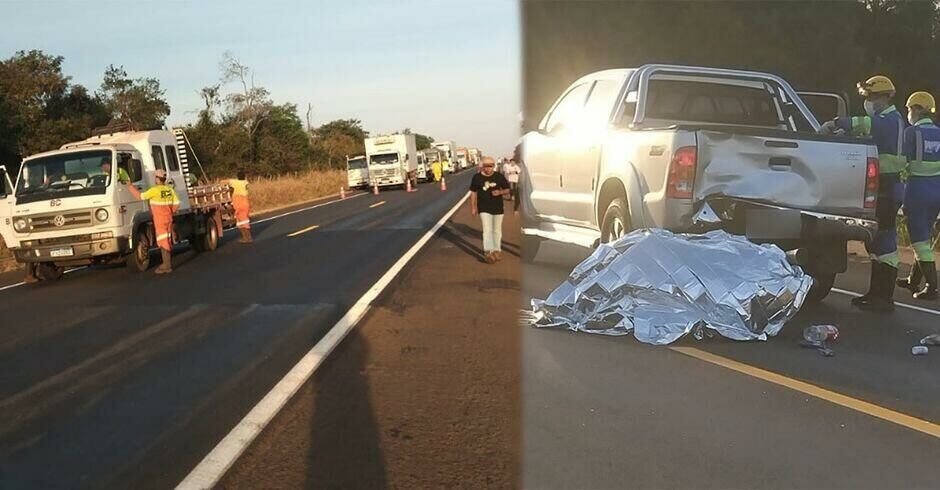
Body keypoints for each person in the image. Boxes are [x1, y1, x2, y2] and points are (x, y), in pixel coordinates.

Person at [820, 75, 907, 311]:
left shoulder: (890, 120)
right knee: (876, 243)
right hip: (884, 187)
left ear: (885, 97)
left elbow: (865, 125)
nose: (868, 101)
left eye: (871, 97)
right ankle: (875, 293)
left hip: (888, 187)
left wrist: (836, 123)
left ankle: (883, 298)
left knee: (884, 244)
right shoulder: (886, 120)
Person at [896, 91, 940, 300]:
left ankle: (932, 286)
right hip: (936, 191)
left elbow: (901, 161)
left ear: (916, 109)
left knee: (919, 240)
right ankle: (913, 280)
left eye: (909, 109)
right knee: (925, 235)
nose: (908, 113)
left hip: (917, 191)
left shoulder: (911, 133)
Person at [127, 169, 179, 274]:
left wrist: (130, 186)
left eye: (155, 177)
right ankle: (166, 264)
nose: (155, 179)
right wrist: (170, 212)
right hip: (168, 219)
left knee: (163, 242)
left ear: (158, 179)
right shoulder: (169, 190)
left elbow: (140, 196)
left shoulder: (154, 190)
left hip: (160, 220)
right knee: (167, 240)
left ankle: (167, 265)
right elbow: (176, 204)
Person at [470, 156, 511, 264]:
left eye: (490, 166)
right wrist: (473, 207)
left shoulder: (499, 177)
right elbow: (473, 192)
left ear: (494, 166)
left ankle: (497, 250)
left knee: (497, 230)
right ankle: (488, 251)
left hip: (498, 207)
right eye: (486, 166)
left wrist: (500, 192)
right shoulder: (477, 177)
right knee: (487, 230)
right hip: (483, 207)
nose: (488, 168)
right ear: (482, 166)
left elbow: (507, 189)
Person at [223, 170, 253, 244]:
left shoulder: (235, 182)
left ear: (237, 177)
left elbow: (224, 182)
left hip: (240, 206)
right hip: (243, 205)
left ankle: (248, 238)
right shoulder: (245, 182)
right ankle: (245, 238)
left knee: (243, 222)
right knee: (240, 223)